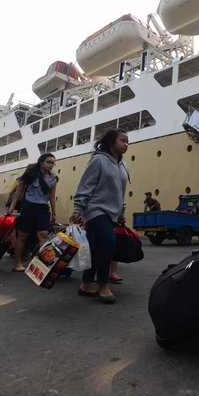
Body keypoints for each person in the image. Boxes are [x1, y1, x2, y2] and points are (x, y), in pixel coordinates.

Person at [70, 129, 130, 304]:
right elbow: (86, 185)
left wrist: (121, 212)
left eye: (128, 141)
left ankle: (86, 283)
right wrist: (78, 209)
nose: (126, 144)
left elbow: (120, 192)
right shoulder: (98, 160)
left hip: (112, 213)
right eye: (123, 140)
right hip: (95, 209)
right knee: (108, 241)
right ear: (112, 142)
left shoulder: (123, 165)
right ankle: (103, 284)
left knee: (96, 247)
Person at [7, 154, 58, 272]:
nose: (51, 165)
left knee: (43, 234)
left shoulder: (54, 178)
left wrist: (54, 212)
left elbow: (52, 196)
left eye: (53, 163)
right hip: (28, 207)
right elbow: (17, 193)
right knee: (23, 236)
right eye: (48, 162)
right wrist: (11, 209)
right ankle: (17, 263)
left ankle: (43, 265)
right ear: (41, 162)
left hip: (43, 208)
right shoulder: (30, 175)